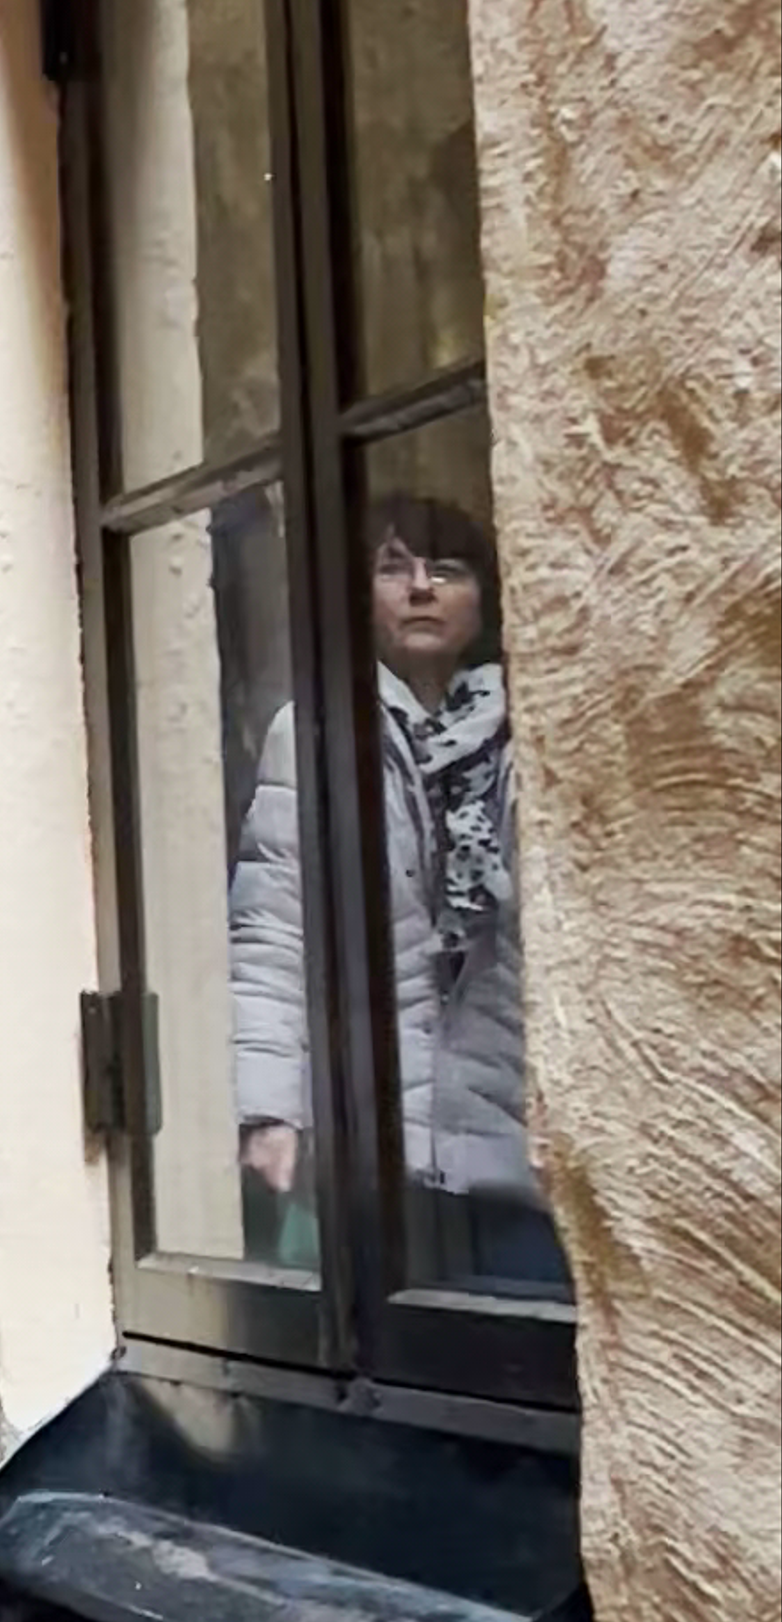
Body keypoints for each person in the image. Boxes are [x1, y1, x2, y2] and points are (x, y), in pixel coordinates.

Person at [226, 488, 549, 1288]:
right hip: (371, 1142)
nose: (421, 588)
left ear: (487, 595)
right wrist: (269, 1112)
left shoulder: (540, 730)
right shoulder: (315, 733)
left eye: (446, 568)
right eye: (393, 568)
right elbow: (271, 933)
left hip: (521, 1139)